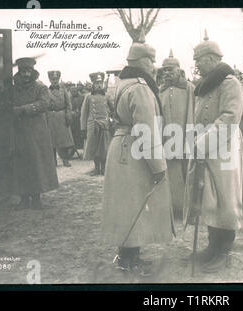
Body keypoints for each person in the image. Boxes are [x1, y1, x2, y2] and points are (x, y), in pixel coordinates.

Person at [101, 30, 173, 274]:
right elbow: (146, 130)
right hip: (134, 151)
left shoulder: (123, 83)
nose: (154, 66)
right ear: (142, 62)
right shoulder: (141, 87)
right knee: (132, 204)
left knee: (126, 204)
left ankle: (128, 256)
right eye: (151, 61)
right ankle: (127, 259)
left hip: (123, 147)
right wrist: (158, 166)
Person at [183, 30, 243, 273]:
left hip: (225, 147)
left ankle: (224, 251)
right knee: (208, 196)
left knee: (225, 198)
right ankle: (212, 246)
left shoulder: (230, 83)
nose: (196, 65)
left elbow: (230, 118)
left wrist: (201, 143)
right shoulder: (205, 85)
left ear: (211, 58)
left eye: (199, 59)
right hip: (206, 145)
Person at [11, 57, 59, 209]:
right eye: (23, 71)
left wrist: (24, 109)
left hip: (36, 132)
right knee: (21, 165)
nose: (26, 74)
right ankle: (24, 199)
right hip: (19, 132)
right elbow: (8, 104)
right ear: (19, 72)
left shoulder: (40, 88)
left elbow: (44, 104)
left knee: (36, 164)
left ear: (32, 72)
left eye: (28, 71)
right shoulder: (13, 89)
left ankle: (36, 199)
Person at [159, 49, 195, 219]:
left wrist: (190, 137)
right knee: (172, 174)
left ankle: (190, 209)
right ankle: (175, 207)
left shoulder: (189, 88)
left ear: (179, 70)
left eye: (170, 70)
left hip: (185, 137)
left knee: (188, 172)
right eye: (164, 70)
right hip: (167, 139)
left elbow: (193, 113)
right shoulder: (161, 91)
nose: (166, 73)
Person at [80, 72, 113, 176]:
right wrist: (83, 128)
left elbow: (113, 109)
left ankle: (103, 168)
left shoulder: (107, 96)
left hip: (104, 125)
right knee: (94, 147)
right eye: (97, 83)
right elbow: (84, 113)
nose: (99, 85)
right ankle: (96, 168)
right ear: (93, 84)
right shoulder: (88, 97)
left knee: (104, 147)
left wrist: (111, 119)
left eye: (101, 83)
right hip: (93, 125)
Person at [46, 70, 74, 167]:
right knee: (52, 141)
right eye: (53, 79)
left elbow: (68, 104)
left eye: (56, 79)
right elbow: (45, 106)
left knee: (64, 141)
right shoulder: (46, 91)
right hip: (51, 117)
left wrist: (68, 114)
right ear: (49, 80)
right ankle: (53, 161)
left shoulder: (63, 90)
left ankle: (65, 160)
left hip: (62, 117)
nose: (55, 81)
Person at [70, 85, 85, 151]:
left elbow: (84, 107)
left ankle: (82, 146)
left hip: (80, 118)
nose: (74, 92)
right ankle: (74, 147)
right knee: (74, 134)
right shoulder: (68, 98)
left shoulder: (82, 97)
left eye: (75, 91)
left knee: (81, 133)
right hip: (73, 120)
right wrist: (72, 112)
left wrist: (80, 111)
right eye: (72, 91)